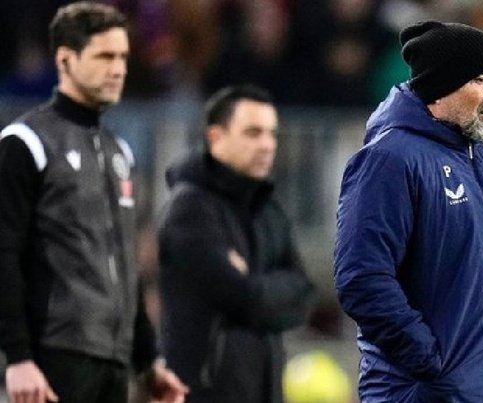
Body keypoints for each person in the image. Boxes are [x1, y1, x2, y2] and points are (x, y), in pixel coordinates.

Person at [334, 20, 483, 402]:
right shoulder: (389, 159)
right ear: (440, 86)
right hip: (427, 393)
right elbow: (363, 278)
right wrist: (433, 364)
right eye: (482, 79)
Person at [0, 3, 188, 403]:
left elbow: (125, 269)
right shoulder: (25, 143)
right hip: (52, 358)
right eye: (104, 56)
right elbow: (4, 254)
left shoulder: (119, 151)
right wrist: (17, 357)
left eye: (122, 56)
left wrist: (147, 358)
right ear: (65, 60)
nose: (118, 68)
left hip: (112, 359)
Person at [158, 85, 316, 403]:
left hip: (264, 391)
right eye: (253, 133)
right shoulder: (190, 208)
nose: (267, 145)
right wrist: (270, 289)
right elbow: (235, 294)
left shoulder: (269, 210)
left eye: (272, 134)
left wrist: (253, 284)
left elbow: (304, 295)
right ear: (216, 137)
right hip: (205, 392)